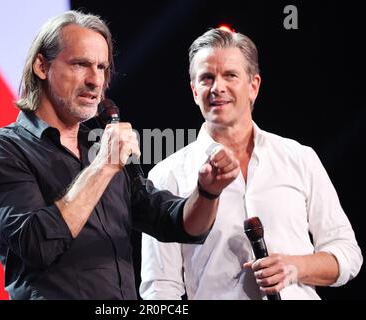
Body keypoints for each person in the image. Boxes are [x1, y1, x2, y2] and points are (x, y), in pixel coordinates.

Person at [0, 11, 240, 300]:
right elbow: (37, 244)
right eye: (80, 64)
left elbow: (175, 223)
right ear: (41, 66)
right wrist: (104, 167)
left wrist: (208, 192)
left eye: (101, 67)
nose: (95, 81)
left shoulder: (99, 149)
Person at [140, 28, 363, 300]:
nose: (217, 87)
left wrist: (295, 267)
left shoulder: (299, 158)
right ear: (194, 91)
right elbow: (160, 288)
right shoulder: (167, 175)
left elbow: (347, 253)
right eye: (207, 78)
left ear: (253, 86)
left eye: (230, 75)